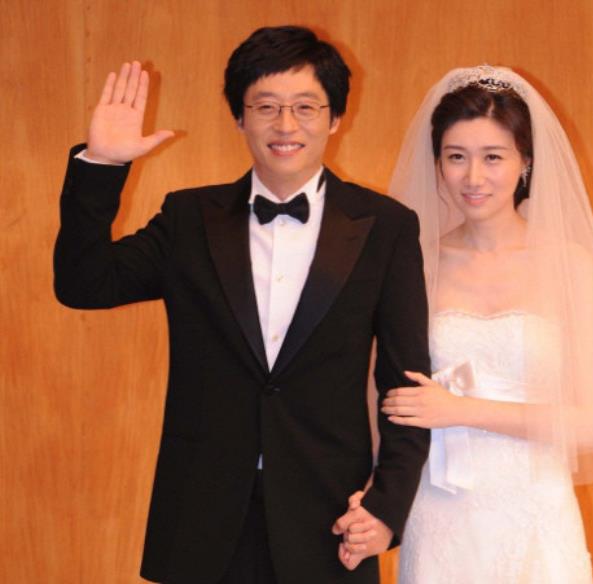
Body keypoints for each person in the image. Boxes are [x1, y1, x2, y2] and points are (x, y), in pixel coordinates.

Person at [54, 26, 430, 584]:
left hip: (332, 516)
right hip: (202, 517)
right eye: (266, 106)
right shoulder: (189, 220)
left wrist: (387, 507)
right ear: (239, 116)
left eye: (305, 107)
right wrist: (101, 165)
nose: (286, 125)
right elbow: (84, 284)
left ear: (334, 118)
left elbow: (406, 384)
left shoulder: (386, 227)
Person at [345, 65, 593, 582]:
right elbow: (384, 399)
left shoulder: (569, 265)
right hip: (438, 510)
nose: (473, 177)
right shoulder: (415, 266)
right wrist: (375, 497)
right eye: (456, 157)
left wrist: (462, 410)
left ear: (525, 161)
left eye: (493, 157)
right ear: (437, 163)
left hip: (536, 507)